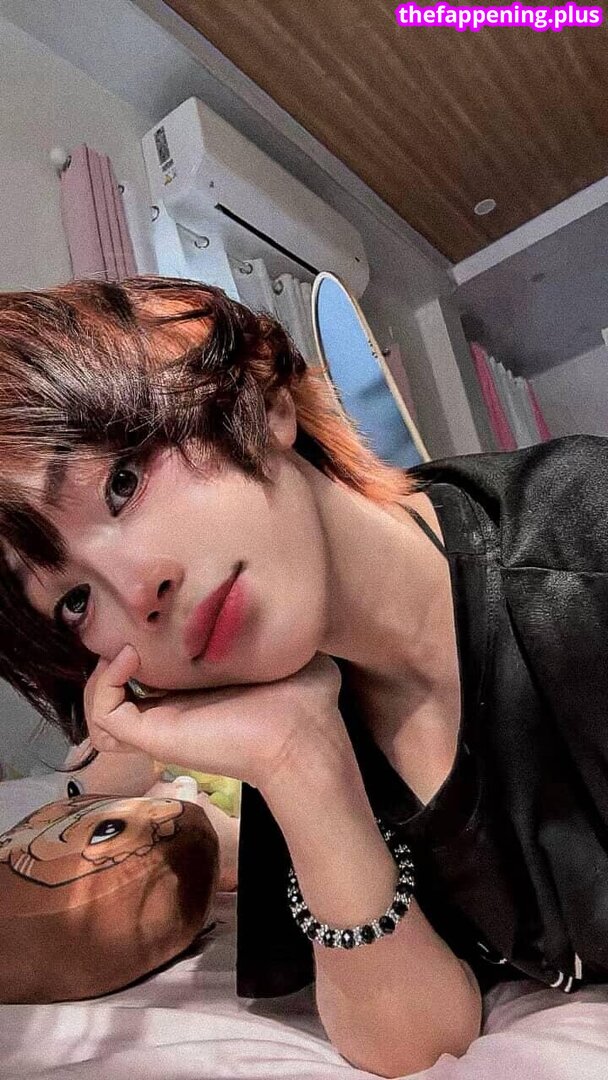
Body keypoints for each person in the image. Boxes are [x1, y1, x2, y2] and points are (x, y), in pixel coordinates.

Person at [0, 276, 606, 1077]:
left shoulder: (583, 548)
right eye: (74, 601)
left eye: (122, 483)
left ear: (259, 394)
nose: (139, 591)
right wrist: (298, 764)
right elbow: (420, 1043)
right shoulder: (301, 702)